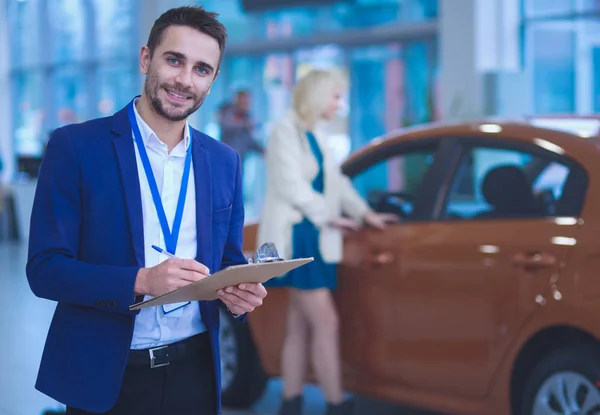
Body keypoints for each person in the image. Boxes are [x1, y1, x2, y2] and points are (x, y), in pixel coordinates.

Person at [26, 6, 267, 415]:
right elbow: (45, 269)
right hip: (108, 378)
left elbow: (226, 263)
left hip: (195, 376)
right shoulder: (76, 148)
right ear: (145, 58)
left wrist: (239, 295)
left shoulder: (224, 161)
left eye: (202, 69)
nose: (184, 80)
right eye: (174, 60)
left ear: (212, 80)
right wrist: (141, 280)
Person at [257, 69, 398, 415]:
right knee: (325, 322)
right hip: (299, 236)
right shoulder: (284, 131)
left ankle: (291, 401)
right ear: (318, 97)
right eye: (335, 96)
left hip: (313, 234)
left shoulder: (316, 134)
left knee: (299, 323)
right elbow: (291, 185)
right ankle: (336, 403)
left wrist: (366, 214)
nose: (340, 103)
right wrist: (329, 215)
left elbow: (339, 184)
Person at [218, 89, 263, 167]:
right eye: (244, 102)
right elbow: (227, 126)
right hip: (225, 158)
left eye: (248, 102)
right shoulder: (227, 111)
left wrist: (262, 150)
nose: (247, 105)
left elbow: (248, 140)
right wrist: (245, 124)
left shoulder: (246, 117)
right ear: (237, 100)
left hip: (239, 160)